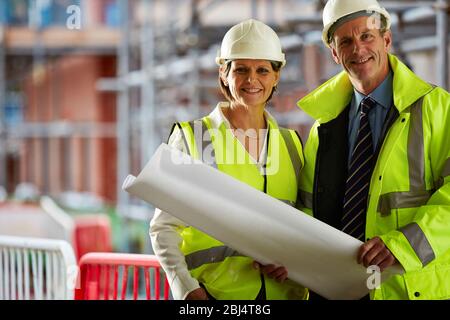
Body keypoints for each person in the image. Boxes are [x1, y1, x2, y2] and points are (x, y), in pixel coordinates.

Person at [297, 0, 450, 300]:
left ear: (387, 39)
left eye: (366, 36)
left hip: (408, 288)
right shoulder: (323, 128)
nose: (358, 49)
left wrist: (401, 245)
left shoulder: (437, 108)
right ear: (334, 53)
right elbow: (307, 210)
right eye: (345, 42)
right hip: (340, 290)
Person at [150, 19, 308, 300]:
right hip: (213, 295)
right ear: (223, 73)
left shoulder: (291, 144)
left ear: (276, 76)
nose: (252, 80)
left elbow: (304, 224)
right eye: (241, 70)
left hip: (285, 293)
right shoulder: (192, 138)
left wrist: (294, 262)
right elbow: (163, 227)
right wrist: (186, 288)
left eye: (262, 70)